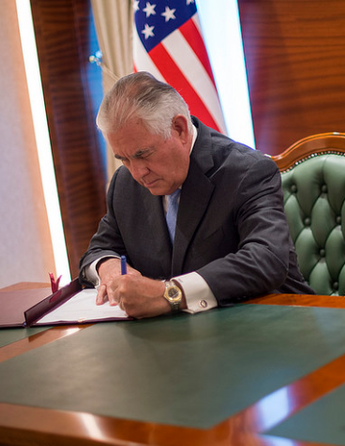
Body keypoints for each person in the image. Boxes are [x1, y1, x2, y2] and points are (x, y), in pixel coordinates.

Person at [80, 71, 313, 318]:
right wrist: (109, 268)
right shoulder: (124, 184)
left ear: (179, 129)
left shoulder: (247, 171)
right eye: (123, 159)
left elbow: (266, 259)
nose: (137, 173)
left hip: (270, 325)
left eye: (143, 154)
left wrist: (169, 293)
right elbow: (99, 249)